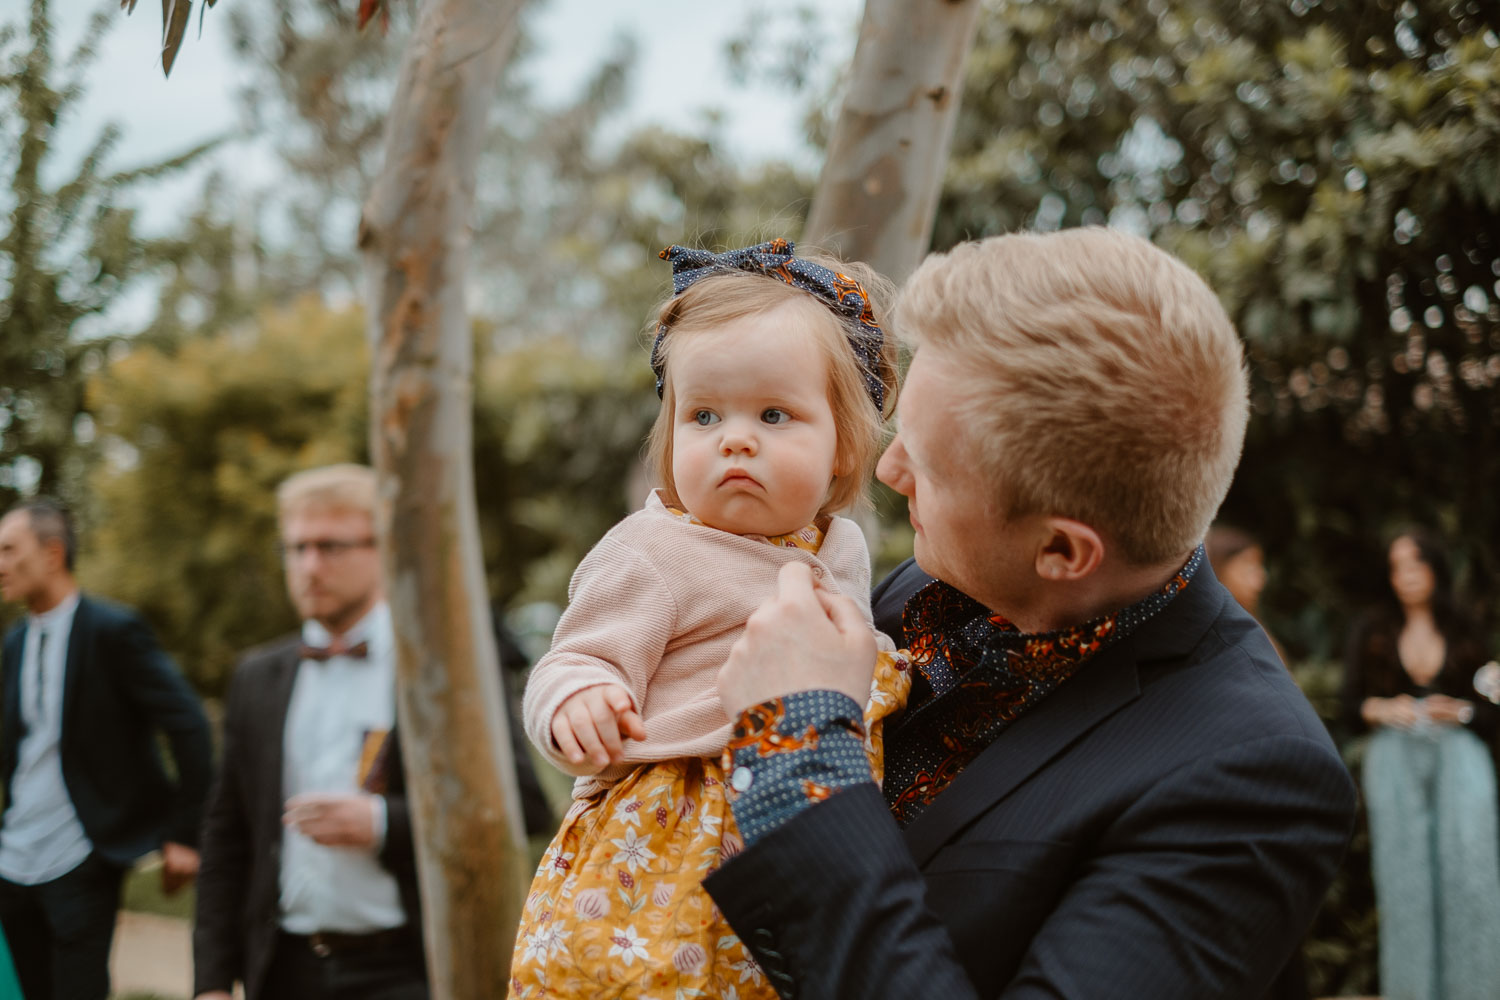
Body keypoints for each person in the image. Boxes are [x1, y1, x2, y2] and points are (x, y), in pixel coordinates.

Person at [703, 227, 1359, 999]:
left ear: (1061, 551)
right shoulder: (930, 587)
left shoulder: (1254, 782)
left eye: (928, 464)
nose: (888, 469)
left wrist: (802, 751)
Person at [509, 240, 907, 999]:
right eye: (703, 415)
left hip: (801, 833)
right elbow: (574, 657)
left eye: (774, 414)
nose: (735, 437)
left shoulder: (845, 551)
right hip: (660, 844)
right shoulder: (654, 549)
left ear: (844, 448)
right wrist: (576, 701)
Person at [192, 465, 427, 1000]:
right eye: (296, 549)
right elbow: (227, 833)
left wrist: (382, 823)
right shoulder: (257, 676)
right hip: (283, 968)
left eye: (330, 546)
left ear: (384, 549)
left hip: (405, 968)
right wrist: (211, 982)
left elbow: (518, 806)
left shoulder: (434, 671)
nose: (309, 566)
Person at [0, 498, 213, 1000]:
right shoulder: (14, 642)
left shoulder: (113, 631)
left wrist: (185, 834)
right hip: (12, 859)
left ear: (53, 554)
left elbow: (188, 725)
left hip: (83, 854)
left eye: (9, 550)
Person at [1341, 529, 1500, 1000]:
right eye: (1397, 566)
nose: (1407, 575)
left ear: (1435, 568)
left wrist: (1462, 711)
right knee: (1404, 881)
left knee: (1470, 874)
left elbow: (1491, 711)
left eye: (1416, 563)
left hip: (1460, 758)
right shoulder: (1371, 628)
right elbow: (1349, 704)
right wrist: (1383, 708)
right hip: (1394, 758)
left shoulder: (1465, 626)